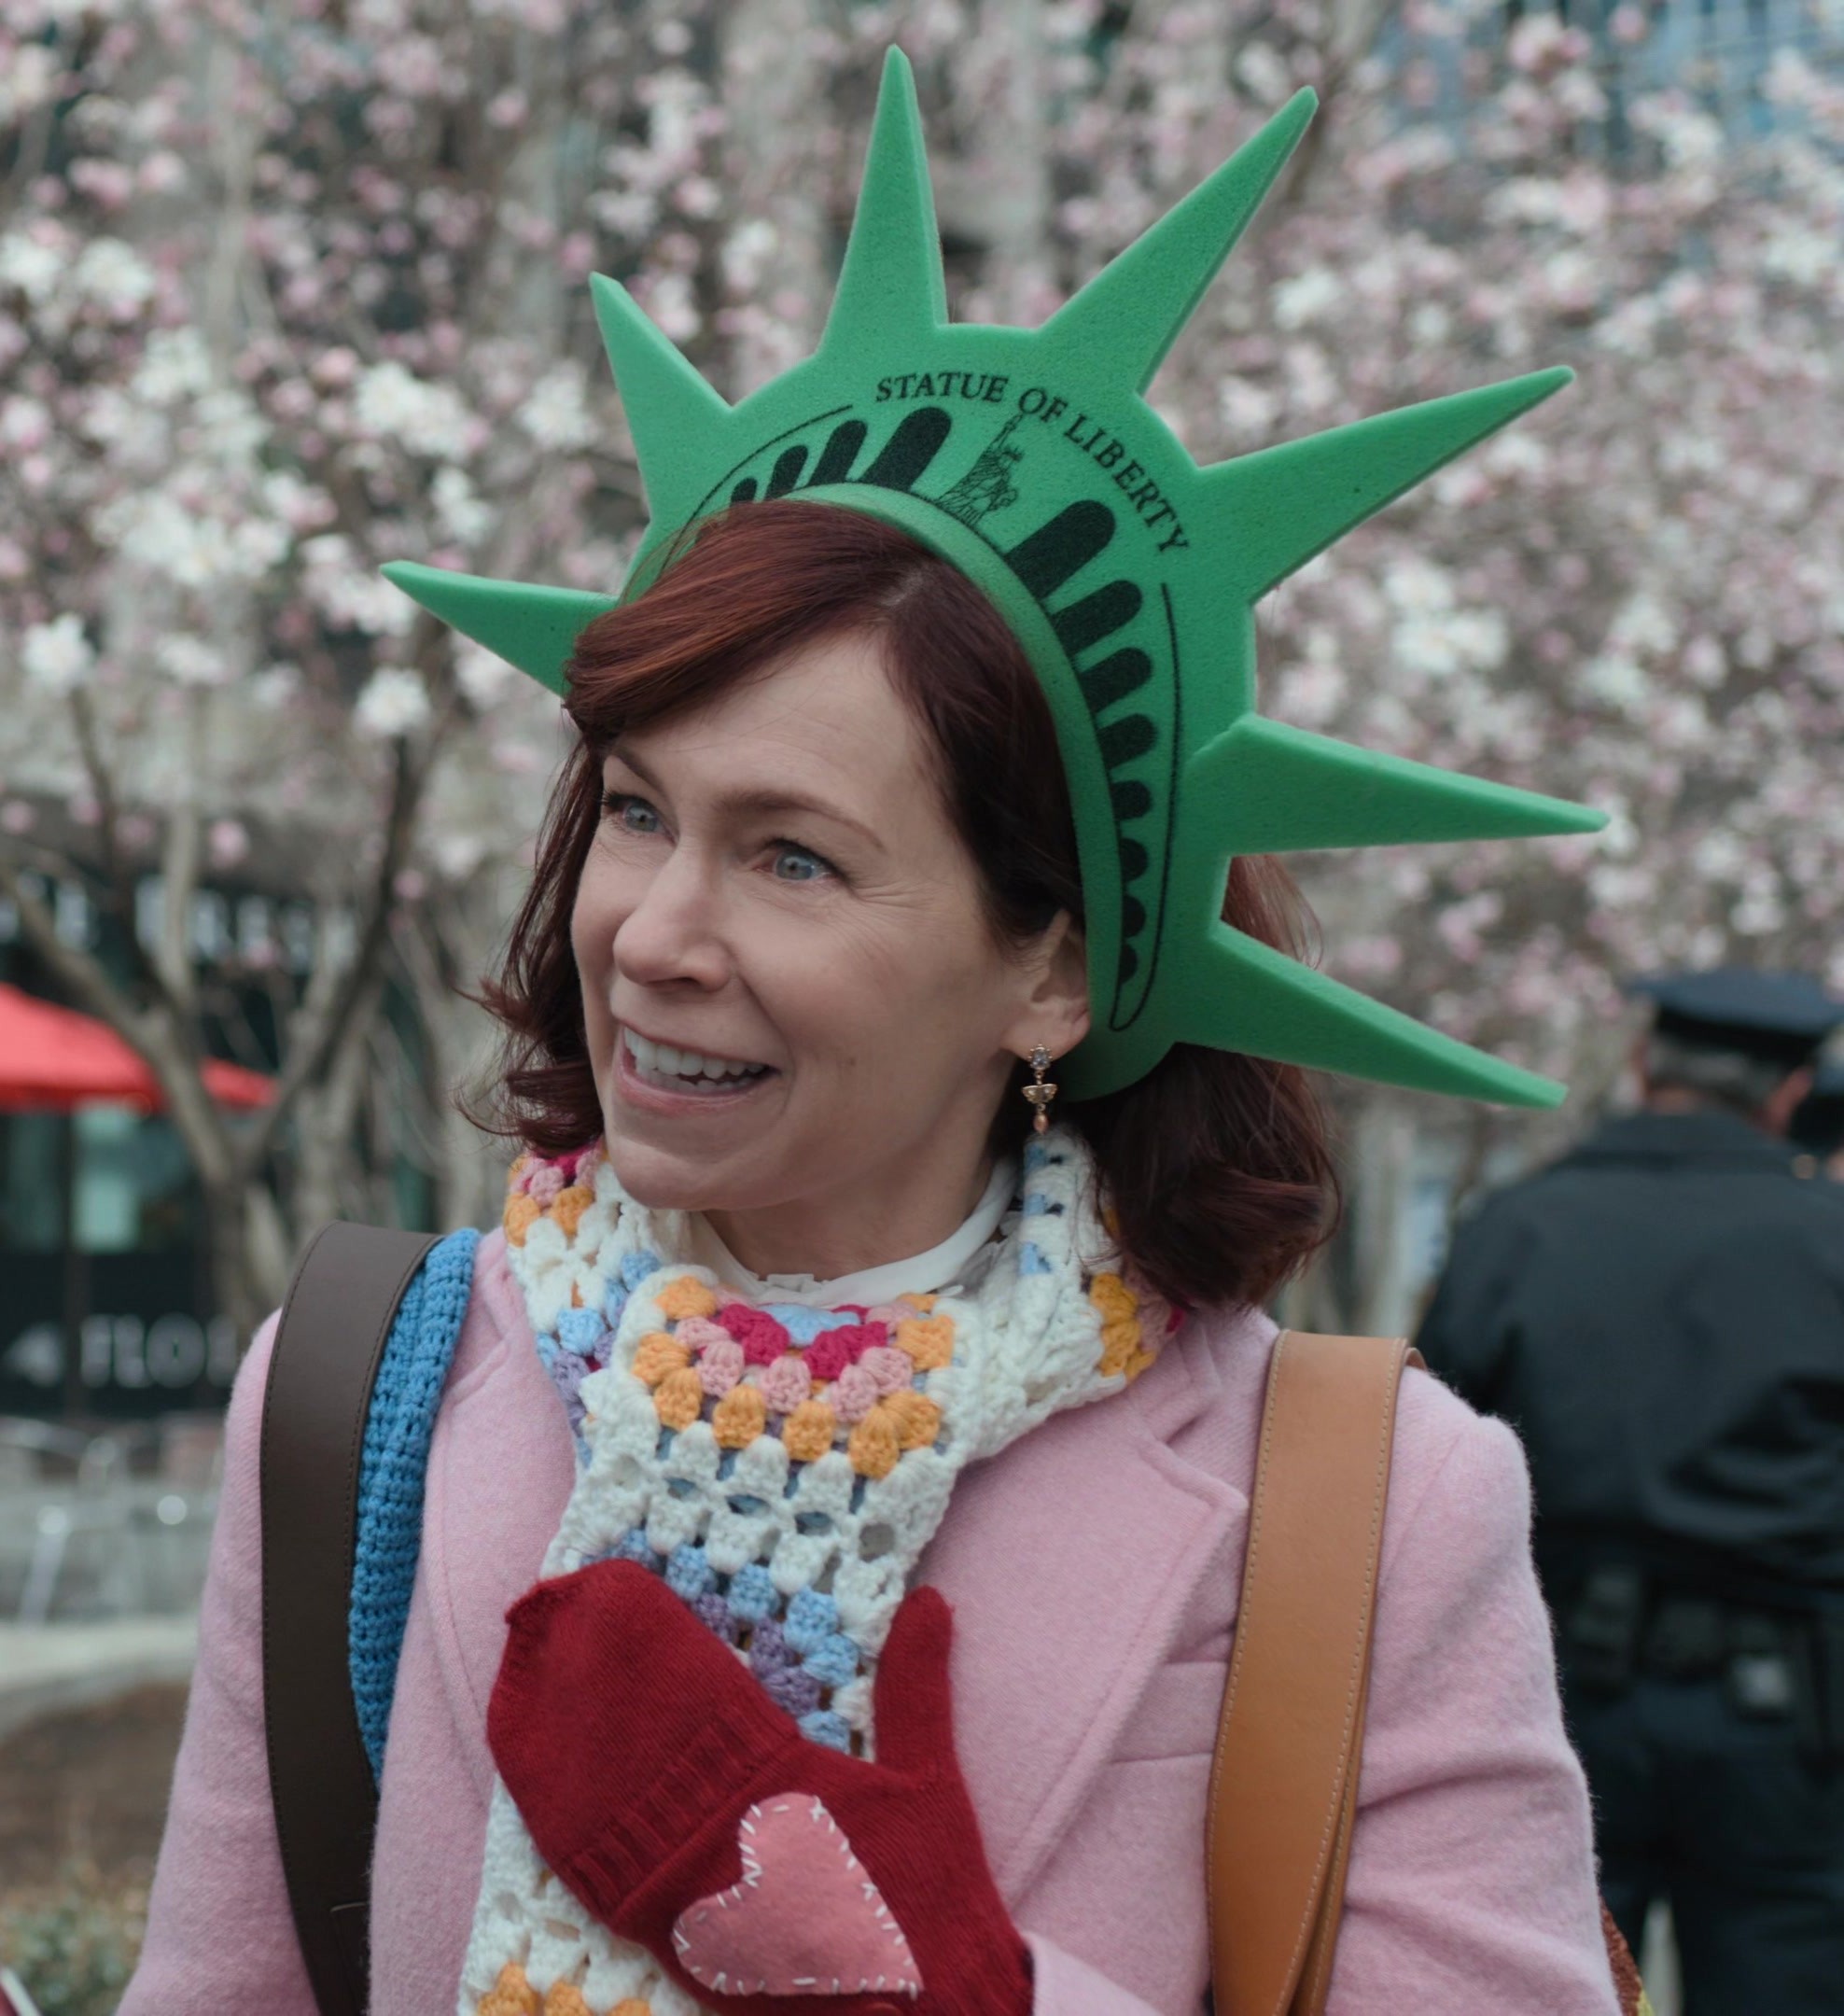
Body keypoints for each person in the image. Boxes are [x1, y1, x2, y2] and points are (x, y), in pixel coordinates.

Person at [123, 54, 1626, 2016]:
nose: (653, 936)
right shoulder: (356, 1401)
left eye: (796, 863)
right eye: (640, 813)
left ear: (1055, 974)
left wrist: (935, 1983)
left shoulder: (1368, 1502)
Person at [1418, 966, 1844, 2015]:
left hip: (1551, 1690)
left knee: (1544, 1979)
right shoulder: (1827, 1242)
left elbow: (1423, 1468)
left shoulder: (1514, 1227)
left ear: (1644, 1063)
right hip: (1788, 1719)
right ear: (1787, 1094)